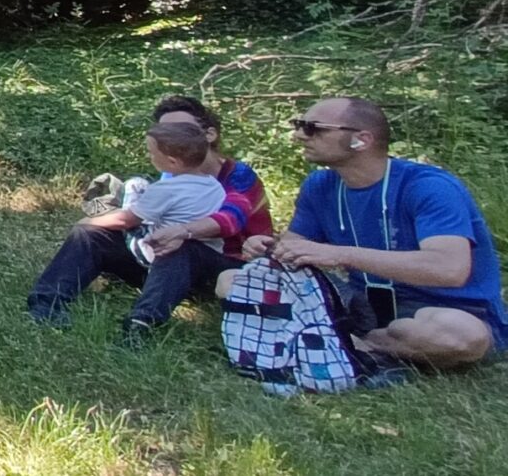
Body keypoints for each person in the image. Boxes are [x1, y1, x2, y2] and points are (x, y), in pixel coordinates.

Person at [232, 97, 505, 370]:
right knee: (230, 281)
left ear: (361, 140)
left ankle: (356, 343)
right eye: (299, 125)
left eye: (313, 128)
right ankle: (350, 341)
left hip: (446, 310)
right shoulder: (320, 185)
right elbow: (295, 247)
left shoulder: (429, 186)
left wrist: (341, 255)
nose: (300, 135)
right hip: (363, 305)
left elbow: (449, 270)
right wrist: (268, 248)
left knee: (461, 336)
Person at [27, 121, 225, 338]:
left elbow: (126, 220)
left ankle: (47, 303)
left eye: (152, 153)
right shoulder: (215, 187)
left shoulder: (167, 189)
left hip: (161, 264)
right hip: (195, 273)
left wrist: (87, 222)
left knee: (88, 234)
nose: (150, 157)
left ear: (172, 161)